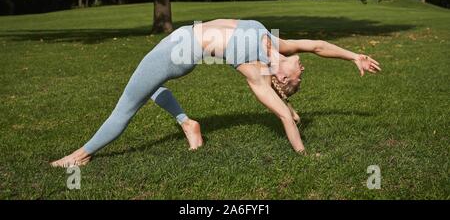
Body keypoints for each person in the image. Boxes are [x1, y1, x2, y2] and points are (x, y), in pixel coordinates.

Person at [51, 19, 381, 167]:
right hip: (178, 43)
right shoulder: (274, 43)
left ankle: (82, 155)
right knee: (152, 90)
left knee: (126, 104)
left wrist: (303, 153)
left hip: (173, 54)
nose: (303, 70)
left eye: (299, 80)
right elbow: (318, 46)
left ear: (282, 79)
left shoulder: (255, 67)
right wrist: (355, 56)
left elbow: (281, 114)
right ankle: (188, 124)